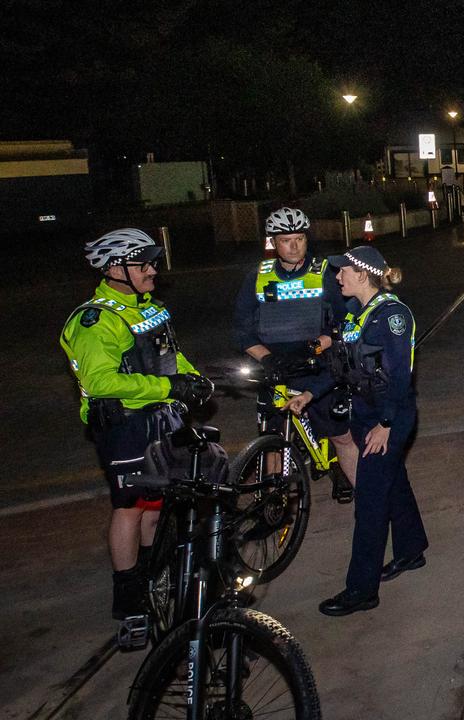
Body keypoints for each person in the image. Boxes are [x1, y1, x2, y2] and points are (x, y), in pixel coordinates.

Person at [60, 228, 213, 623]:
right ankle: (128, 595)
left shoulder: (146, 307)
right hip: (125, 425)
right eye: (142, 263)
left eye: (152, 262)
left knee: (157, 505)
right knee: (130, 506)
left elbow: (169, 356)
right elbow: (101, 383)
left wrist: (192, 379)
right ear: (115, 269)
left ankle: (155, 575)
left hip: (163, 416)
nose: (152, 270)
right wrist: (167, 387)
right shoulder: (95, 321)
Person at [287, 246, 428, 616]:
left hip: (389, 415)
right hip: (366, 413)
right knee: (393, 481)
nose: (337, 277)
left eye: (343, 271)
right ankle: (412, 550)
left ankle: (361, 590)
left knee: (369, 501)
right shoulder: (356, 316)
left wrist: (386, 425)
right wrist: (308, 393)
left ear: (363, 274)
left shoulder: (393, 316)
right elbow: (338, 369)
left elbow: (400, 376)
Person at [232, 206, 356, 501]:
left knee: (340, 434)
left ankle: (351, 479)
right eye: (286, 240)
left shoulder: (325, 273)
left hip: (318, 364)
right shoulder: (257, 277)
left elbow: (346, 321)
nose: (294, 246)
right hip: (276, 368)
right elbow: (242, 330)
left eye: (300, 239)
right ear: (273, 242)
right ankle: (275, 499)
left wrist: (318, 346)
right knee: (273, 439)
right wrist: (267, 358)